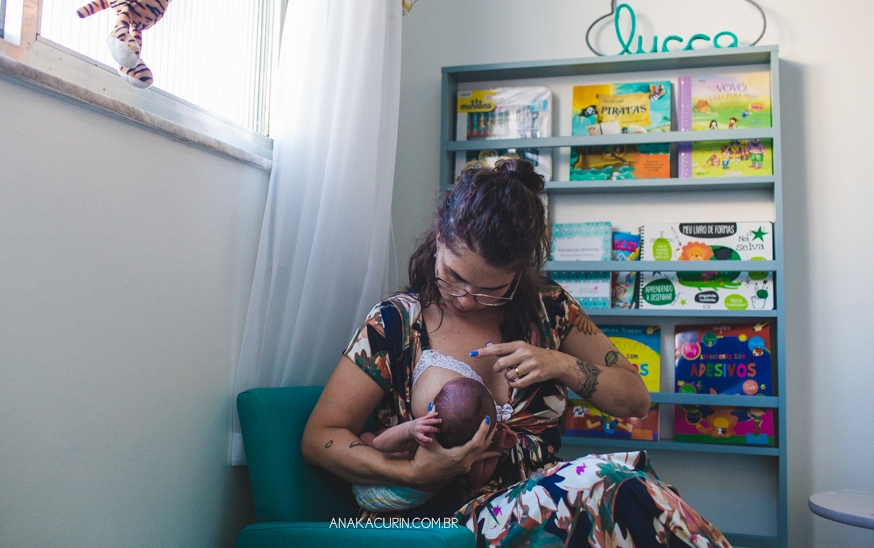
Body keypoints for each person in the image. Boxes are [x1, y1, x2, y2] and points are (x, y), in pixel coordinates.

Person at [301, 159, 731, 547]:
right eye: (453, 276)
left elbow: (635, 399)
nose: (467, 300)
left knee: (629, 487)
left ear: (520, 271)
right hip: (439, 523)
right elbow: (321, 438)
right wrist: (411, 474)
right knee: (603, 481)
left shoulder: (551, 307)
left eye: (490, 289)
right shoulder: (394, 323)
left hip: (543, 508)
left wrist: (560, 363)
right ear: (438, 239)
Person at [352, 376, 516, 512]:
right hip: (410, 500)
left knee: (368, 437)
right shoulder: (468, 454)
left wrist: (410, 429)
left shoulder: (424, 440)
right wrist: (496, 449)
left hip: (377, 494)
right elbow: (478, 480)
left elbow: (378, 444)